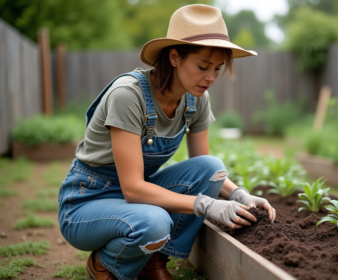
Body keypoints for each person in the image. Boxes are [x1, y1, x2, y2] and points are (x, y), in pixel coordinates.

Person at [57, 4, 276, 280]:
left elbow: (205, 170)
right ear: (174, 57)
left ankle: (153, 262)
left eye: (218, 69)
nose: (210, 77)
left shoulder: (196, 99)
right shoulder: (128, 95)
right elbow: (133, 189)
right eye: (202, 66)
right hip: (87, 202)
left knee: (212, 167)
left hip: (134, 198)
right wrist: (207, 206)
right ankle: (105, 265)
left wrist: (238, 195)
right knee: (155, 222)